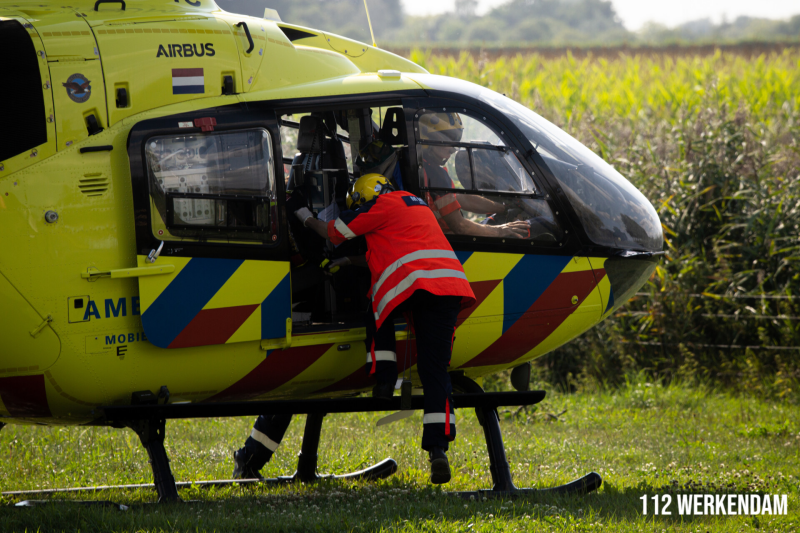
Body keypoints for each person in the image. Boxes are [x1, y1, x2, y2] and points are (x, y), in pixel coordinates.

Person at [294, 173, 476, 484]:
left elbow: (333, 232)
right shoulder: (415, 205)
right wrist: (349, 261)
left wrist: (303, 215)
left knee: (377, 304)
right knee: (435, 370)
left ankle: (384, 381)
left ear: (365, 198)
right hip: (449, 287)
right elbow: (389, 250)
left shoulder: (380, 205)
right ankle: (438, 450)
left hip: (413, 282)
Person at [418, 112, 530, 239]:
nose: (453, 148)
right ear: (427, 138)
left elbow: (462, 199)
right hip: (445, 243)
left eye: (455, 140)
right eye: (448, 140)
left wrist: (503, 208)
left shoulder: (424, 168)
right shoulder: (436, 175)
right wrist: (500, 231)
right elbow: (460, 227)